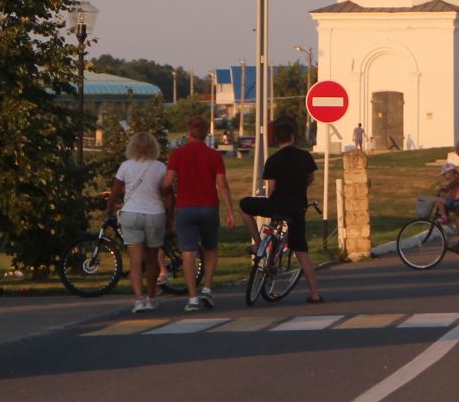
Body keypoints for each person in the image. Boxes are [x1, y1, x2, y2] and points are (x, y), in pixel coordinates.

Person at [240, 117, 324, 302]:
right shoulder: (305, 156)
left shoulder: (273, 160)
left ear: (277, 139)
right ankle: (315, 294)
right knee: (302, 251)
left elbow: (271, 189)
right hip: (297, 208)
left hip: (276, 205)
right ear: (293, 137)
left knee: (244, 206)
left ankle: (257, 244)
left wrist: (272, 202)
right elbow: (311, 178)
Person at [165, 115, 237, 311]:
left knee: (188, 253)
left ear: (189, 132)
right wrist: (230, 212)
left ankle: (192, 298)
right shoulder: (214, 156)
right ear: (206, 135)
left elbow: (166, 182)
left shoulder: (178, 154)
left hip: (185, 208)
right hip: (208, 207)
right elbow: (222, 185)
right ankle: (207, 287)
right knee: (210, 248)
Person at [109, 130, 172, 313]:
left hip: (131, 214)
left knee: (135, 261)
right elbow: (168, 194)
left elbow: (115, 191)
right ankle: (152, 298)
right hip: (154, 214)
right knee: (152, 260)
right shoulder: (161, 167)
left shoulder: (125, 166)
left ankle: (139, 300)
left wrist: (109, 207)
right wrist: (170, 216)